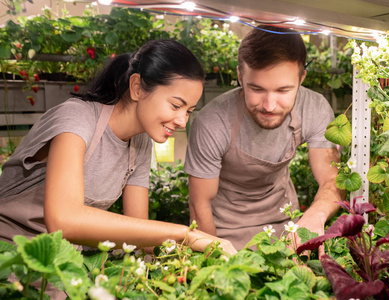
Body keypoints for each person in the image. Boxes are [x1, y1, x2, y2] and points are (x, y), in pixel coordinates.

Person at [0, 39, 237, 255]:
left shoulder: (141, 142)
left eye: (189, 111)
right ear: (137, 87)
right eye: (176, 106)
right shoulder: (76, 119)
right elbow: (64, 219)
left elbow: (140, 238)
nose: (182, 121)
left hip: (64, 259)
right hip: (11, 255)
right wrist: (183, 234)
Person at [184, 25, 344, 250]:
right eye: (257, 89)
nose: (269, 105)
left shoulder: (314, 108)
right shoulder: (212, 122)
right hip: (225, 231)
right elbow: (199, 204)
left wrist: (315, 216)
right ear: (240, 76)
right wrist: (215, 258)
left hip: (286, 224)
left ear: (301, 78)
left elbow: (332, 178)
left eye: (283, 91)